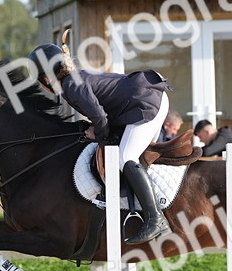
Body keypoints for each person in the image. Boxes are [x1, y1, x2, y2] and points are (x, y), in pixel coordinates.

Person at [27, 43, 171, 244]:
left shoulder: (70, 86)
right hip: (149, 96)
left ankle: (156, 219)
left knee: (124, 158)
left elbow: (99, 116)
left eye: (39, 81)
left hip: (146, 102)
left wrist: (101, 137)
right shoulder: (74, 79)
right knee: (132, 157)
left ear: (46, 77)